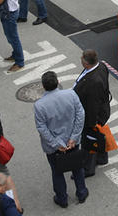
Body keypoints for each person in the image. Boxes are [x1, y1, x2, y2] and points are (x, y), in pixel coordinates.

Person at [33, 71, 88, 208]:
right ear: (57, 82)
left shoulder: (39, 105)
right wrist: (74, 138)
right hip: (72, 142)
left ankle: (62, 198)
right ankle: (81, 192)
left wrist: (56, 144)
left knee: (57, 172)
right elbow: (80, 116)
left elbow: (42, 128)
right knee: (77, 167)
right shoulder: (71, 94)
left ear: (43, 86)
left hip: (54, 147)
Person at [73, 49, 111, 176]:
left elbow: (92, 105)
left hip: (92, 116)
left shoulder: (93, 82)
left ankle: (88, 168)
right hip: (101, 110)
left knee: (89, 141)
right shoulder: (101, 66)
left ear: (86, 63)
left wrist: (91, 123)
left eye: (82, 59)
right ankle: (102, 157)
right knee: (98, 135)